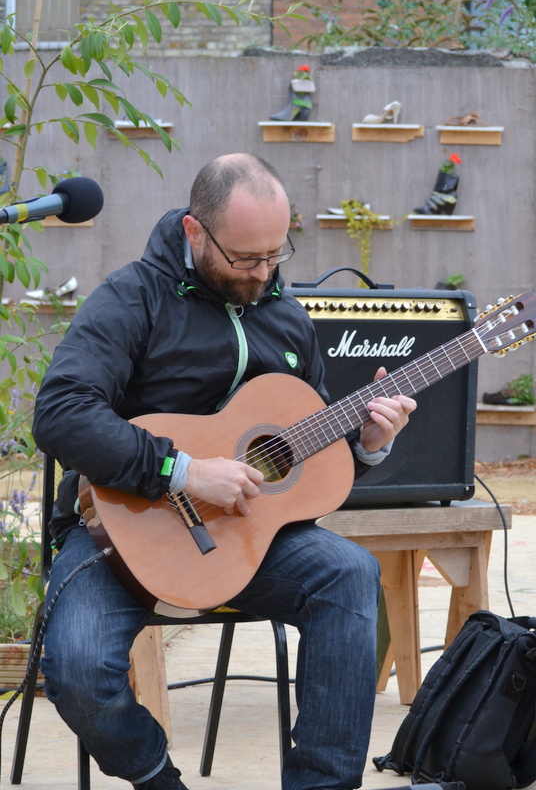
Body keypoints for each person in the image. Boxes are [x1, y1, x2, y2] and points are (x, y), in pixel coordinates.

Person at [32, 153, 417, 790]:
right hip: (122, 531)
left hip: (246, 541)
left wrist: (368, 445)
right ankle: (158, 780)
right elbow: (61, 413)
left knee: (350, 573)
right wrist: (181, 470)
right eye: (245, 259)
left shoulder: (288, 316)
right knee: (75, 668)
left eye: (276, 255)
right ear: (194, 232)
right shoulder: (133, 299)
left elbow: (306, 463)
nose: (264, 273)